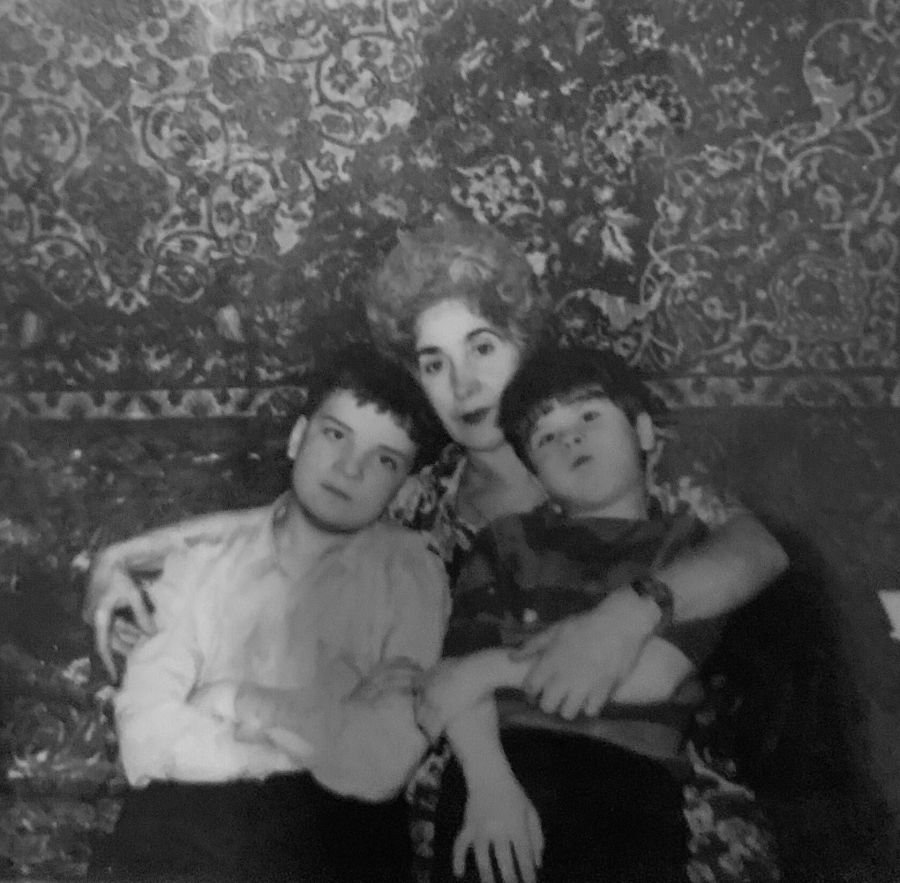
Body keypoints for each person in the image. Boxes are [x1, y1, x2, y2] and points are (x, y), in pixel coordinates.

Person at [84, 214, 788, 882]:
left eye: (482, 347)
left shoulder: (618, 455)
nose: (463, 384)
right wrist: (124, 556)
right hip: (463, 788)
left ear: (524, 345)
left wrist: (625, 616)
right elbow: (293, 515)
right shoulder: (417, 497)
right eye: (433, 362)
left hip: (633, 774)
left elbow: (757, 548)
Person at [88, 344, 450, 882]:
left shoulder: (411, 572)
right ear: (298, 438)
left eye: (383, 460)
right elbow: (146, 738)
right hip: (189, 819)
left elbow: (380, 764)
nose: (349, 469)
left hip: (337, 832)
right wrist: (319, 733)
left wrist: (231, 699)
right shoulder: (202, 562)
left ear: (405, 488)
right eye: (336, 435)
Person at [415, 345, 731, 883]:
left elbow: (657, 673)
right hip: (502, 763)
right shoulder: (505, 543)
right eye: (546, 437)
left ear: (644, 433)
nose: (571, 439)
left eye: (589, 416)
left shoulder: (688, 549)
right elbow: (455, 684)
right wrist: (490, 785)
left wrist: (493, 667)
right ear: (536, 474)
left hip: (632, 776)